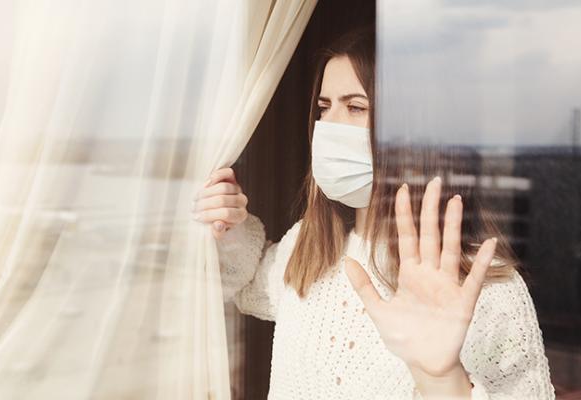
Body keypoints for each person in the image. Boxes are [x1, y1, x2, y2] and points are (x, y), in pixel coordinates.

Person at [191, 27, 555, 399]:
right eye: (324, 107)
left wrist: (445, 380)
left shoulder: (487, 289)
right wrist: (228, 227)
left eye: (355, 107)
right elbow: (248, 286)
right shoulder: (309, 246)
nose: (329, 126)